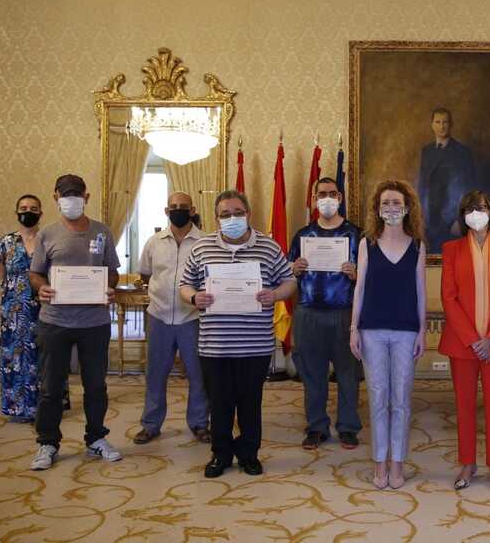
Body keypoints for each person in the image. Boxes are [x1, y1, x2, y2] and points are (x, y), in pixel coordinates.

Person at [179, 190, 296, 478]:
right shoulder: (202, 248)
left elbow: (290, 281)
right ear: (216, 218)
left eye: (238, 213)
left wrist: (275, 295)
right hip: (214, 346)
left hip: (255, 346)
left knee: (249, 404)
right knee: (219, 405)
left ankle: (248, 454)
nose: (232, 218)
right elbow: (184, 284)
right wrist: (194, 297)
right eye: (225, 214)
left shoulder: (268, 247)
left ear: (248, 214)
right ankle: (220, 455)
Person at [29, 174, 122, 470]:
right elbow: (36, 273)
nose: (71, 200)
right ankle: (47, 442)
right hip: (54, 321)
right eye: (65, 195)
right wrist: (41, 287)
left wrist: (109, 287)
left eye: (76, 195)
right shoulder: (47, 234)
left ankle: (96, 438)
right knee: (51, 388)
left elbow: (113, 271)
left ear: (86, 197)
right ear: (56, 198)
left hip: (94, 322)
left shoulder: (102, 231)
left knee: (95, 385)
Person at [441, 190, 490, 492]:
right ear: (463, 214)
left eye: (482, 207)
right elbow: (449, 298)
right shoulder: (451, 249)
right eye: (470, 208)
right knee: (464, 406)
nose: (476, 213)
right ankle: (467, 463)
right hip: (463, 343)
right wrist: (473, 340)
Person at [350, 180, 427, 490]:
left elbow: (420, 291)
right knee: (378, 398)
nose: (391, 208)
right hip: (372, 330)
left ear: (407, 208)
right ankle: (380, 463)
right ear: (377, 209)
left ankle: (398, 464)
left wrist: (422, 331)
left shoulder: (418, 245)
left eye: (396, 202)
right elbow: (359, 289)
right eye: (386, 203)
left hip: (406, 331)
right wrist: (354, 329)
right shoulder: (366, 244)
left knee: (401, 400)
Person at [288, 177, 363, 451]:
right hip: (309, 312)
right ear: (314, 199)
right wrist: (293, 269)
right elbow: (288, 272)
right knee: (312, 374)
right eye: (322, 194)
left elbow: (370, 277)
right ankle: (316, 426)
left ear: (340, 198)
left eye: (332, 193)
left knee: (348, 374)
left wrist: (357, 274)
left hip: (344, 312)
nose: (327, 198)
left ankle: (348, 427)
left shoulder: (356, 235)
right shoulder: (303, 235)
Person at [133, 192, 210, 445]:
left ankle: (199, 423)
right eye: (173, 207)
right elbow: (146, 275)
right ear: (166, 211)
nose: (178, 210)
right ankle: (150, 425)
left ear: (192, 210)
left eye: (183, 206)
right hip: (159, 317)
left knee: (198, 375)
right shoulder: (153, 242)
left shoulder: (205, 242)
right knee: (156, 374)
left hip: (192, 318)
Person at [0, 195, 43, 423]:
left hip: (43, 307)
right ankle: (16, 408)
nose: (28, 211)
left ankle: (44, 407)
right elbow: (2, 276)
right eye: (23, 208)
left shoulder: (48, 240)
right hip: (13, 310)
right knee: (14, 357)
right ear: (16, 212)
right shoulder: (5, 243)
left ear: (41, 212)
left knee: (41, 356)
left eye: (33, 208)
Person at [418, 107, 476, 252]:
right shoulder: (426, 151)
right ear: (432, 125)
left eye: (445, 122)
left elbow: (469, 189)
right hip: (429, 220)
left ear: (451, 125)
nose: (442, 126)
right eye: (438, 122)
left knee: (452, 258)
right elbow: (422, 186)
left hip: (451, 220)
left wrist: (460, 219)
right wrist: (420, 216)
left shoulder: (462, 152)